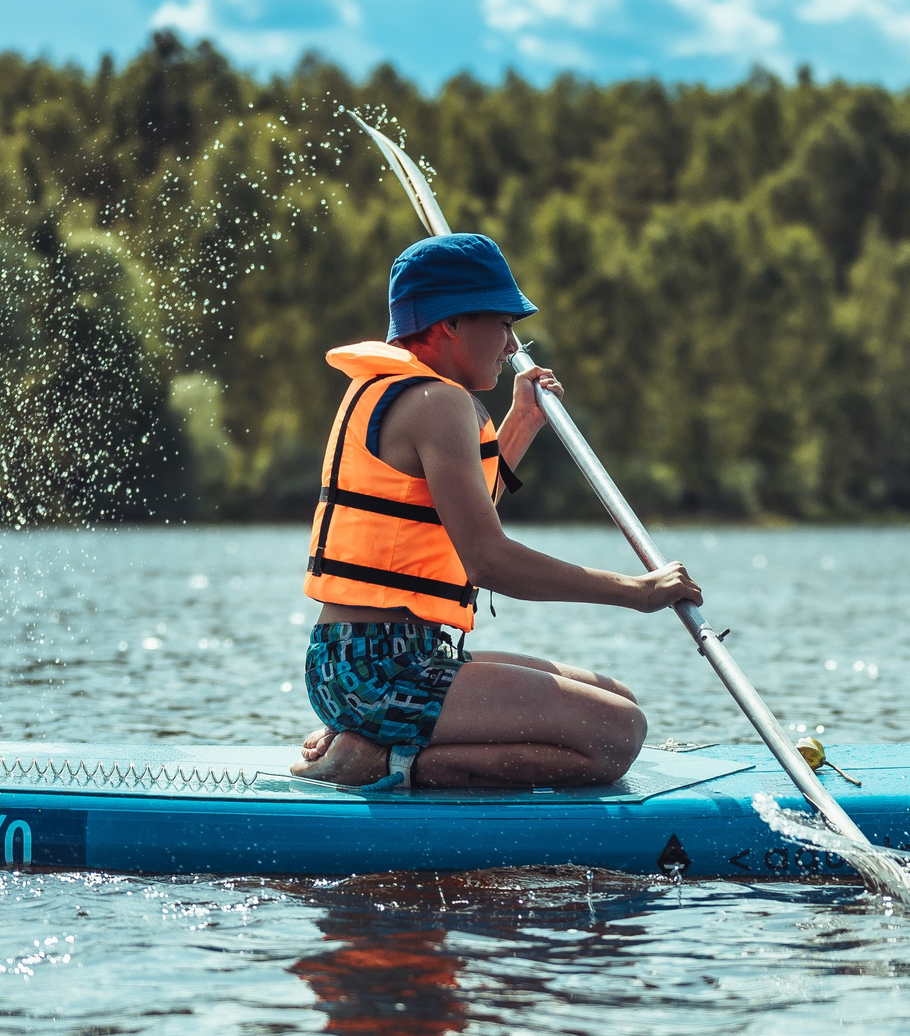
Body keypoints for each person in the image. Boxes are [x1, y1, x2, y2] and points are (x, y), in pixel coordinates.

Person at [291, 232, 701, 790]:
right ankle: (385, 763)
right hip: (379, 669)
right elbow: (488, 562)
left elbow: (458, 519)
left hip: (366, 661)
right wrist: (637, 591)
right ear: (450, 324)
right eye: (504, 324)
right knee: (616, 734)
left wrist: (523, 422)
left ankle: (372, 738)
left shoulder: (410, 393)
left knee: (616, 699)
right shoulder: (438, 402)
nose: (512, 345)